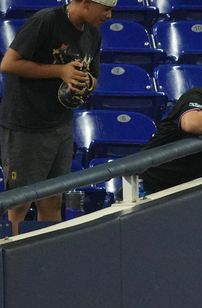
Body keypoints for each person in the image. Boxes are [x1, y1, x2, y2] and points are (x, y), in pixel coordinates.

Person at [0, 0, 115, 235]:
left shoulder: (93, 34)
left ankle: (48, 256)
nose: (109, 15)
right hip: (27, 125)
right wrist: (59, 71)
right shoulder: (47, 21)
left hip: (61, 125)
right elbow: (8, 64)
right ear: (85, 3)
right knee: (19, 203)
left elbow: (94, 77)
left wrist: (87, 83)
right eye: (105, 9)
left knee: (53, 199)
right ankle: (10, 262)